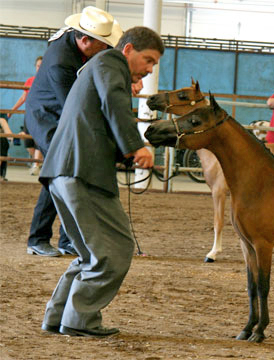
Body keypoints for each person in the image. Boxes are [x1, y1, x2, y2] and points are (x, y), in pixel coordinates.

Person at [39, 26, 164, 338]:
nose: (149, 70)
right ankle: (79, 319)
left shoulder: (97, 66)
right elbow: (114, 103)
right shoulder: (110, 63)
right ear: (128, 49)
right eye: (148, 60)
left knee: (90, 254)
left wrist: (125, 152)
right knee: (117, 248)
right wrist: (136, 146)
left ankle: (59, 317)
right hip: (83, 173)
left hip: (64, 171)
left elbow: (100, 116)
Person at [24, 6, 122, 257]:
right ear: (85, 40)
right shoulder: (61, 65)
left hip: (60, 110)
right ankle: (38, 237)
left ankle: (68, 240)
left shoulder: (77, 36)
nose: (105, 50)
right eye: (102, 45)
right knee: (60, 171)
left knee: (74, 170)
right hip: (46, 116)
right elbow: (74, 106)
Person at [8, 56, 43, 175]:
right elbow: (23, 97)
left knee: (38, 138)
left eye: (42, 65)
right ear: (35, 67)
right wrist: (13, 110)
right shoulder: (29, 81)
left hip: (41, 114)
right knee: (28, 142)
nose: (40, 68)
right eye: (38, 65)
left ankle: (36, 164)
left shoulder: (47, 80)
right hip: (28, 114)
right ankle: (38, 161)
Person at [0, 113, 14, 182]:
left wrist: (10, 137)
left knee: (1, 140)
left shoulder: (1, 119)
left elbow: (9, 134)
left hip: (2, 141)